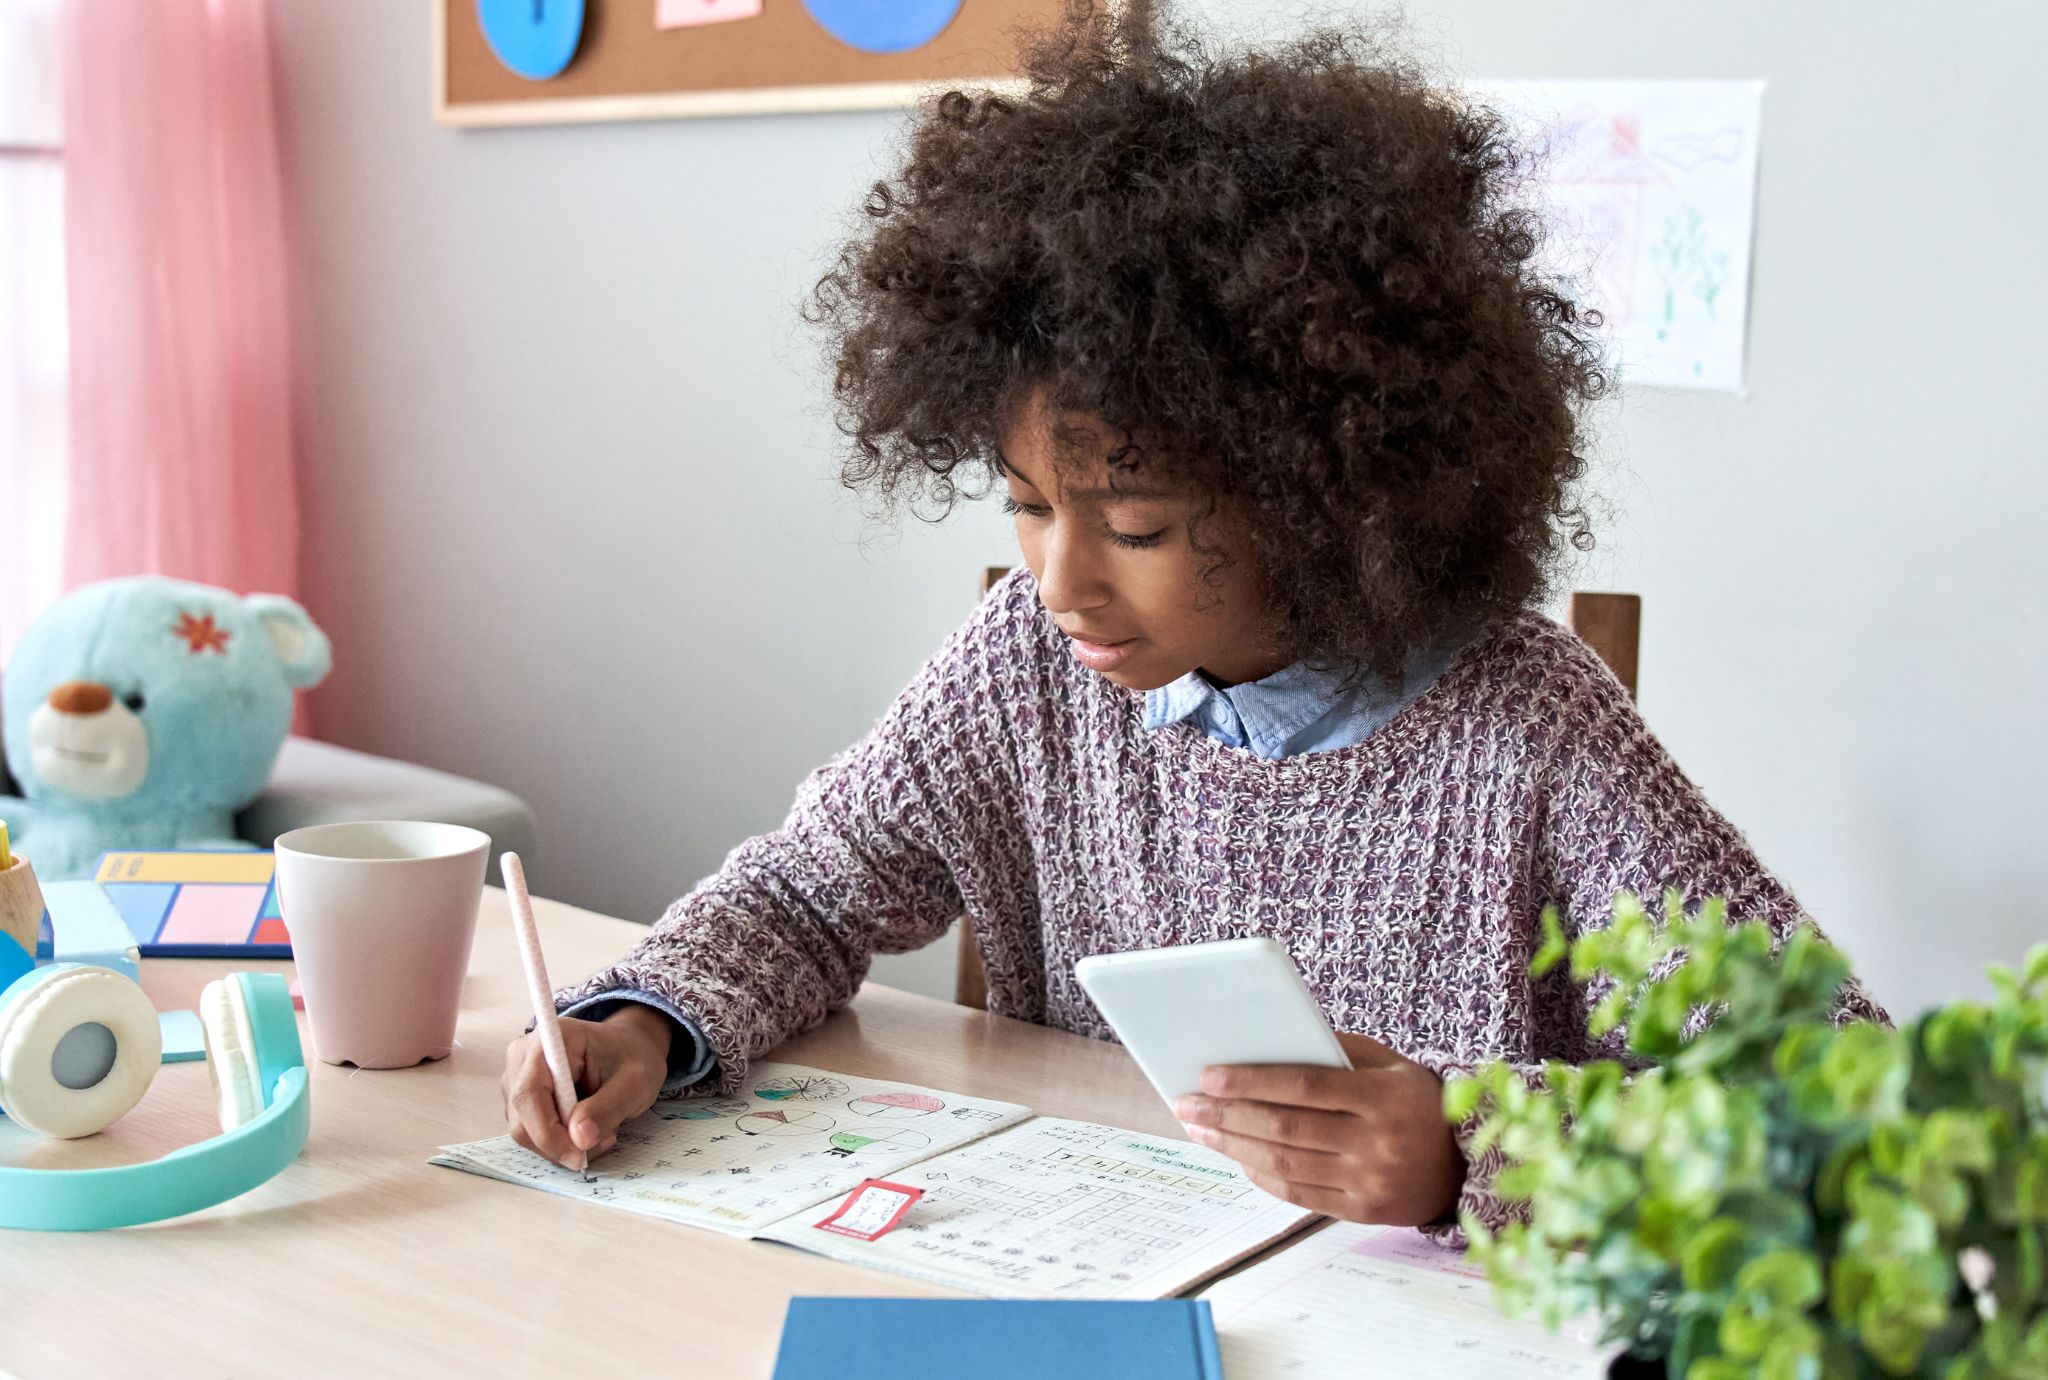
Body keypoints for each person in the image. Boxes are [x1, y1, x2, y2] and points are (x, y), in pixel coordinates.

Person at [501, 1, 1881, 1230]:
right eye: (1028, 504)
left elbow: (1843, 1101)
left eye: (1138, 525)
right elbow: (811, 888)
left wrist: (1480, 1153)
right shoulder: (1030, 668)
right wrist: (646, 1017)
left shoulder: (1529, 731)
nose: (1061, 584)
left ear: (1327, 484)